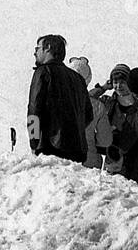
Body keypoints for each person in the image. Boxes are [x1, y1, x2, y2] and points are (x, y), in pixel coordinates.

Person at [27, 34, 91, 164]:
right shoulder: (78, 78)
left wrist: (34, 143)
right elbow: (88, 115)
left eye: (37, 48)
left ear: (48, 48)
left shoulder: (43, 72)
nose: (35, 52)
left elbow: (34, 110)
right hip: (78, 151)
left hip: (51, 149)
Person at [68, 56, 111, 170]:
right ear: (88, 80)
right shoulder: (97, 106)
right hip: (89, 162)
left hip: (61, 163)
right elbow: (105, 141)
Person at [93, 63, 135, 174]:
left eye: (122, 82)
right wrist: (103, 88)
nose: (118, 86)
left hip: (133, 158)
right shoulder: (108, 102)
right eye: (115, 82)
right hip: (112, 158)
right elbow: (88, 98)